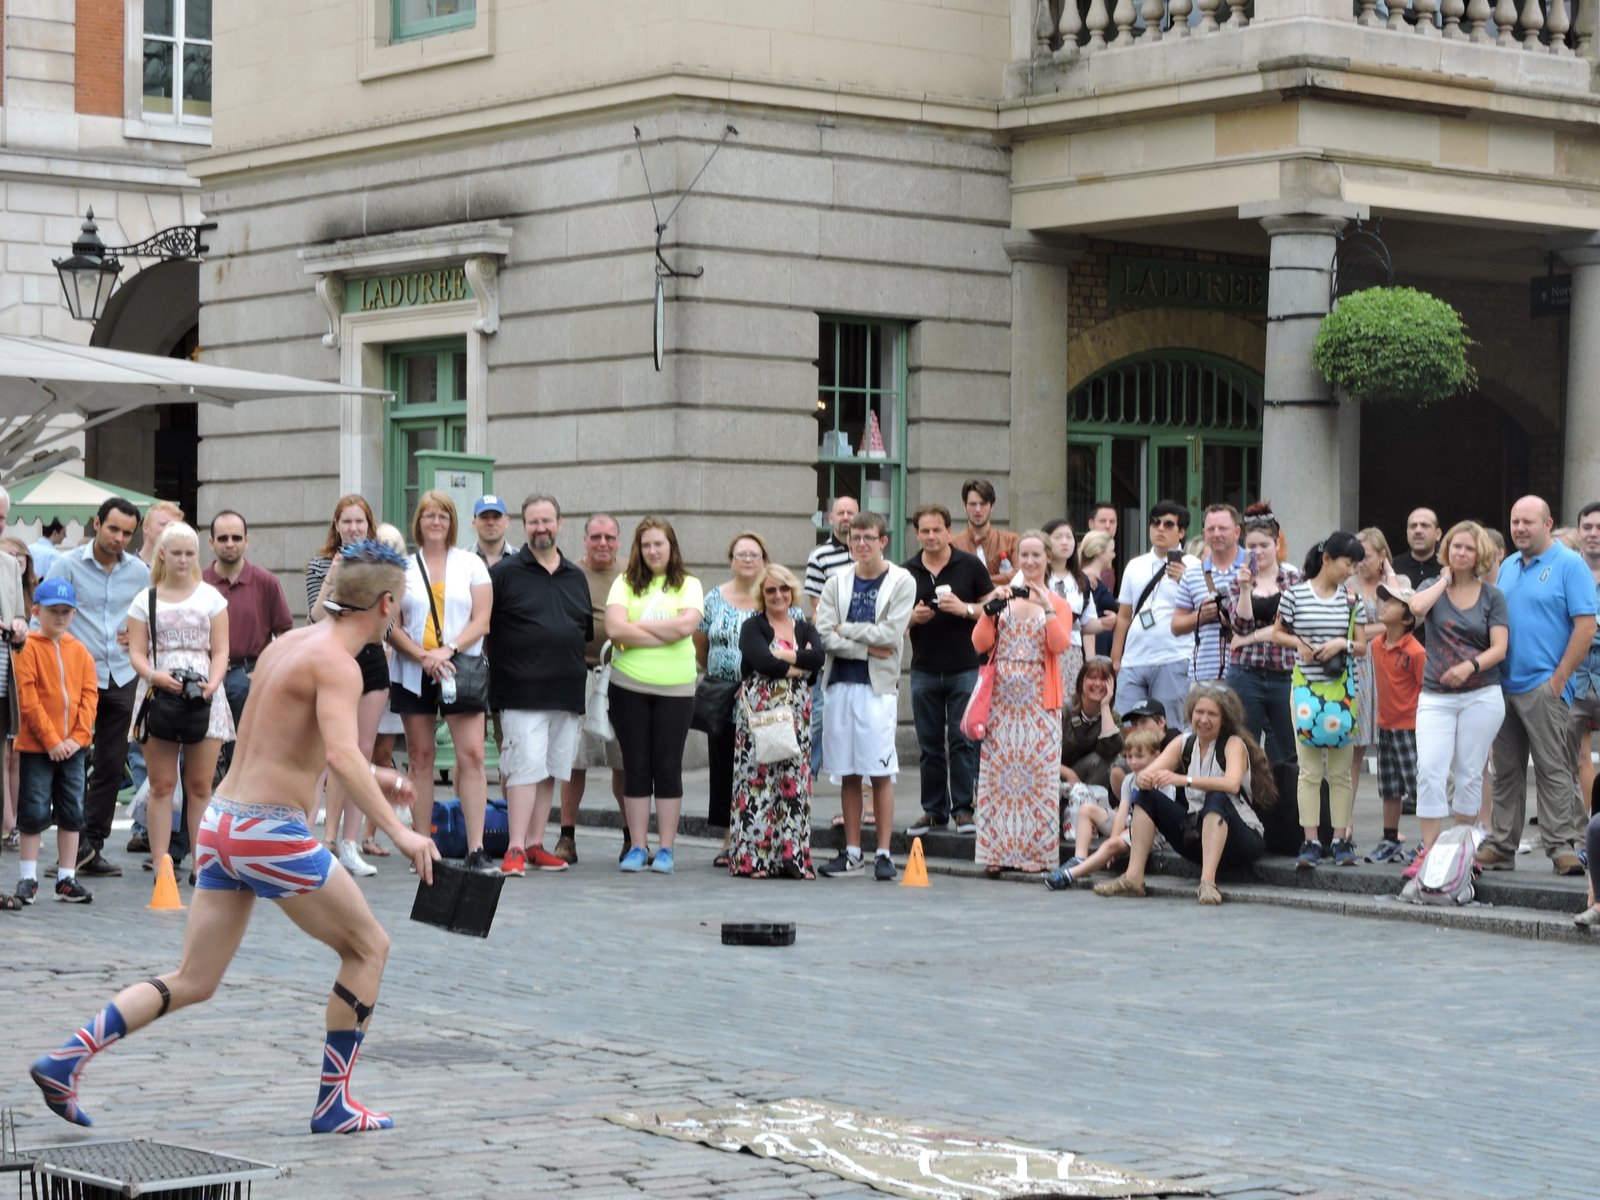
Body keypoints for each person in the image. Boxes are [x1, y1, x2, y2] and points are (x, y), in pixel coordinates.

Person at [29, 540, 438, 1134]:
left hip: (222, 824)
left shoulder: (288, 646)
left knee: (194, 979)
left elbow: (288, 743)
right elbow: (342, 754)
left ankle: (65, 1059)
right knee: (369, 948)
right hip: (270, 832)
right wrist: (401, 832)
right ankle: (334, 1104)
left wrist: (378, 777)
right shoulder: (340, 664)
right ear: (385, 605)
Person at [1480, 496, 1597, 875]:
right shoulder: (1508, 566)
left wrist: (1559, 678)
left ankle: (1562, 846)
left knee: (1553, 769)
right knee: (1506, 771)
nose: (1519, 528)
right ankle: (1502, 845)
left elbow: (1586, 627)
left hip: (1544, 687)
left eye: (1528, 522)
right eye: (1515, 521)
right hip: (1504, 686)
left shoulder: (1570, 564)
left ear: (1548, 524)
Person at [387, 492, 495, 873]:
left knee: (473, 756)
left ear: (452, 523)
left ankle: (476, 847)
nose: (436, 522)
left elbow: (482, 620)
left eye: (443, 516)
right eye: (429, 516)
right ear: (418, 522)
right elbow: (391, 625)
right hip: (413, 670)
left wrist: (447, 650)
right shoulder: (401, 568)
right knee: (420, 757)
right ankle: (422, 846)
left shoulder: (471, 564)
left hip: (459, 668)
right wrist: (423, 656)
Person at [43, 496, 149, 877]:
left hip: (121, 674)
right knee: (69, 761)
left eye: (127, 533)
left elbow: (150, 613)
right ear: (97, 523)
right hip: (75, 675)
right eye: (113, 529)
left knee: (110, 764)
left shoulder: (139, 572)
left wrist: (139, 637)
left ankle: (92, 846)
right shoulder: (67, 564)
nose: (119, 538)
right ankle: (71, 850)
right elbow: (45, 613)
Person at [486, 496, 591, 876]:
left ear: (560, 523)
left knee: (549, 770)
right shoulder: (504, 574)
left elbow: (582, 632)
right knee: (523, 768)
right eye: (533, 521)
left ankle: (534, 844)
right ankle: (514, 847)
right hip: (520, 692)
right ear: (523, 525)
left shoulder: (575, 576)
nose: (541, 528)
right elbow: (484, 629)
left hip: (566, 691)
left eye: (547, 520)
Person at [1093, 684, 1274, 904]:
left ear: (1224, 719)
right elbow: (1144, 775)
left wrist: (1184, 779)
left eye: (1212, 714)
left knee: (1216, 797)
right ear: (1190, 713)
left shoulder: (1233, 743)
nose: (1204, 719)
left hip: (1240, 839)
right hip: (1197, 835)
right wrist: (1145, 778)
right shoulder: (1185, 742)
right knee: (1145, 795)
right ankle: (1133, 878)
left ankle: (1208, 883)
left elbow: (1232, 784)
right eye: (1199, 712)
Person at [126, 522, 235, 881]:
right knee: (161, 785)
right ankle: (162, 863)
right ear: (163, 554)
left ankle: (202, 864)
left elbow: (221, 650)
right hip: (158, 692)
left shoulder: (211, 598)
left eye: (190, 553)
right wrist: (154, 675)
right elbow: (137, 652)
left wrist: (213, 683)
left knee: (201, 785)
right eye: (176, 553)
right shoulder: (145, 599)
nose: (183, 560)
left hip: (203, 694)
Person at [815, 510, 916, 880]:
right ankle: (853, 851)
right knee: (848, 772)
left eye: (868, 538)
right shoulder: (836, 582)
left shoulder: (901, 581)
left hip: (877, 689)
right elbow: (824, 634)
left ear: (882, 541)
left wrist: (847, 630)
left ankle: (884, 853)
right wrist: (864, 646)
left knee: (880, 770)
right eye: (854, 538)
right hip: (840, 684)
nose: (860, 544)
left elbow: (890, 635)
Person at [605, 517, 703, 875]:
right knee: (635, 767)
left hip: (676, 688)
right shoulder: (624, 583)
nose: (652, 551)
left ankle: (665, 848)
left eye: (658, 544)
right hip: (628, 685)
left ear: (671, 546)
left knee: (667, 767)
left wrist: (637, 629)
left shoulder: (689, 584)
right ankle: (637, 846)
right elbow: (614, 629)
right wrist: (666, 631)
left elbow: (687, 626)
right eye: (646, 545)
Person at [971, 530, 1072, 876]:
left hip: (1040, 701)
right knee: (998, 778)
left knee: (1038, 780)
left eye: (1036, 555)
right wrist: (989, 611)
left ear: (1047, 558)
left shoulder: (1058, 603)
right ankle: (996, 851)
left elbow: (1059, 646)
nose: (1029, 562)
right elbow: (979, 643)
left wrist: (1047, 608)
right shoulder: (1003, 597)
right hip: (1001, 701)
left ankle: (1036, 854)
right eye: (1024, 556)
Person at [1406, 523, 1507, 866]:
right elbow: (1416, 608)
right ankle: (1430, 850)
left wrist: (1469, 666)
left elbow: (1499, 648)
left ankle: (1462, 850)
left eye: (1469, 548)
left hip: (1481, 693)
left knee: (1469, 773)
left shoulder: (1492, 596)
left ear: (1480, 554)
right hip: (1436, 695)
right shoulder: (1432, 587)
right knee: (1429, 769)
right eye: (1456, 546)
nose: (1461, 553)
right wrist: (1444, 581)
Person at [306, 495, 391, 877]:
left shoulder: (381, 565)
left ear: (369, 526)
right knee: (326, 753)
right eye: (347, 522)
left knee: (361, 753)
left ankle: (350, 842)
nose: (353, 528)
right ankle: (311, 839)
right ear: (336, 526)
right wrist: (334, 575)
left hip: (370, 660)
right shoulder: (320, 563)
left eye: (360, 522)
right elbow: (315, 615)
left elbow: (384, 624)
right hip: (332, 660)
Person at [1272, 531, 1367, 870]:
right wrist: (1298, 644)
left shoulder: (1352, 600)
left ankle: (1340, 839)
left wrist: (1342, 644)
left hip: (1341, 690)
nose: (1351, 570)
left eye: (1355, 565)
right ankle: (1310, 840)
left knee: (1340, 772)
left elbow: (1362, 646)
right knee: (1309, 771)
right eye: (1348, 563)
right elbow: (1277, 632)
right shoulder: (1294, 595)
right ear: (1327, 559)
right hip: (1305, 690)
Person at [730, 564, 824, 879]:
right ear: (762, 594)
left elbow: (819, 658)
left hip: (797, 717)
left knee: (794, 785)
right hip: (760, 716)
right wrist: (799, 663)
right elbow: (762, 662)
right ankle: (755, 861)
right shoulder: (752, 626)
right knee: (758, 784)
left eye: (784, 589)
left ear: (792, 591)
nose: (778, 595)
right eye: (770, 590)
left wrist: (782, 657)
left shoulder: (805, 626)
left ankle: (792, 859)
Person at [901, 504, 988, 836]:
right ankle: (934, 810)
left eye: (937, 529)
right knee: (929, 745)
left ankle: (963, 810)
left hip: (964, 666)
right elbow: (891, 620)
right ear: (916, 534)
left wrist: (964, 609)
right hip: (924, 668)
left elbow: (992, 608)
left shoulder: (970, 565)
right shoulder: (906, 572)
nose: (931, 536)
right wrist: (912, 617)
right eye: (925, 531)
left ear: (949, 531)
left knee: (962, 741)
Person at [10, 578, 98, 908]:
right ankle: (28, 877)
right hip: (37, 747)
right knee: (33, 812)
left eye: (65, 612)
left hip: (73, 748)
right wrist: (50, 740)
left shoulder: (81, 652)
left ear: (74, 614)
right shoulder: (27, 648)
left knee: (73, 812)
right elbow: (28, 698)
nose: (59, 617)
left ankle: (66, 877)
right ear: (37, 612)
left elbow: (90, 696)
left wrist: (78, 738)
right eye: (52, 611)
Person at [694, 531, 770, 862]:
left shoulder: (774, 595)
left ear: (764, 560)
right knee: (725, 767)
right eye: (741, 554)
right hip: (722, 696)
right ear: (731, 560)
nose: (748, 560)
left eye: (754, 554)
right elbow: (700, 643)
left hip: (763, 697)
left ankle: (759, 836)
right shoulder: (713, 598)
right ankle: (729, 839)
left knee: (759, 767)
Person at [558, 513, 626, 864]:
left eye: (609, 537)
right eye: (596, 537)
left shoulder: (631, 574)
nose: (603, 543)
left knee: (624, 760)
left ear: (618, 541)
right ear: (584, 540)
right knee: (575, 759)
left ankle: (632, 838)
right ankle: (567, 836)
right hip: (579, 672)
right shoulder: (569, 573)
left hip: (623, 673)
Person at [204, 510, 292, 779]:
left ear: (247, 540)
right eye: (222, 538)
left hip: (248, 673)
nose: (229, 544)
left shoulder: (266, 582)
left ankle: (238, 799)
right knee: (199, 758)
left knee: (243, 758)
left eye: (236, 537)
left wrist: (263, 672)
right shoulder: (199, 583)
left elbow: (284, 634)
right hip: (205, 675)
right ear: (211, 542)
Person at [1110, 500, 1199, 729]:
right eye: (1155, 523)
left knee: (1169, 727)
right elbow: (1124, 615)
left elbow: (1205, 609)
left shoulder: (1193, 565)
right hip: (1134, 657)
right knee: (1126, 726)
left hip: (1173, 656)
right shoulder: (1135, 565)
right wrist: (1116, 658)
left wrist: (1185, 580)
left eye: (1168, 524)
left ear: (1181, 532)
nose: (1160, 529)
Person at [1224, 504, 1301, 766]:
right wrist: (1246, 589)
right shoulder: (1237, 580)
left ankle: (1285, 792)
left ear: (1277, 544)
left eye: (1264, 545)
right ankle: (1245, 791)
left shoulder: (1294, 579)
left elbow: (1290, 626)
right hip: (1246, 672)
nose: (1258, 552)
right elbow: (1240, 625)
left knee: (1288, 748)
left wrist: (1249, 639)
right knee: (1244, 745)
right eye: (1252, 546)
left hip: (1285, 672)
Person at [1046, 725, 1164, 891]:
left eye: (1140, 756)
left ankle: (1069, 875)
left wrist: (1114, 841)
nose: (1133, 762)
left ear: (1156, 756)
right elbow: (1122, 811)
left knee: (1111, 845)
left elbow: (1158, 819)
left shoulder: (1162, 779)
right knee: (1086, 809)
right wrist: (1114, 837)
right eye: (1129, 756)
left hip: (1150, 832)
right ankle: (1079, 858)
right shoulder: (1129, 779)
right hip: (1128, 823)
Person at [1364, 580, 1426, 864]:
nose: (1384, 605)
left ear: (1407, 617)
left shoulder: (1415, 651)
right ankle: (1390, 839)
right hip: (1385, 725)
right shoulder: (1376, 645)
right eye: (1384, 600)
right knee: (1389, 788)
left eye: (1392, 602)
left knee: (1418, 787)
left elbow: (1425, 689)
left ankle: (1427, 841)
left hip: (1410, 728)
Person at [804, 496, 859, 783]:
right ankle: (808, 774)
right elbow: (816, 608)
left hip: (863, 648)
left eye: (851, 512)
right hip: (829, 645)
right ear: (831, 518)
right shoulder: (820, 556)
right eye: (841, 512)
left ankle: (851, 772)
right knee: (819, 713)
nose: (846, 517)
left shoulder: (868, 552)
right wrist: (836, 631)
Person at [1172, 504, 1249, 689]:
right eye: (1211, 529)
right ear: (1204, 533)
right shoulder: (1192, 574)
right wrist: (1202, 615)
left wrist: (1233, 619)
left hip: (1249, 671)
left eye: (1223, 528)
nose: (1216, 534)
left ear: (1237, 532)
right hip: (1204, 674)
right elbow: (1176, 626)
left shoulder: (1252, 566)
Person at [1042, 518, 1110, 701]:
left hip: (1071, 651)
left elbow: (1085, 623)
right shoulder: (1034, 573)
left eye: (1069, 537)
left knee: (1068, 704)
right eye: (1058, 537)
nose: (1064, 542)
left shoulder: (1080, 579)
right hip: (1041, 649)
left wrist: (1106, 623)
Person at [1570, 502, 1600, 819]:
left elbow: (1581, 629)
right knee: (1574, 759)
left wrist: (1586, 629)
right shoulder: (1565, 570)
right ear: (1578, 531)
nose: (1593, 533)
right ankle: (1584, 830)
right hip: (1572, 679)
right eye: (1587, 527)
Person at [952, 478, 1021, 591]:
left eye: (983, 504)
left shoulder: (1011, 540)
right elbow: (953, 580)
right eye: (973, 504)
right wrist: (1001, 579)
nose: (978, 509)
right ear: (964, 506)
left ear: (992, 506)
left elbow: (1020, 576)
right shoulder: (953, 544)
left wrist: (975, 581)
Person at [1078, 529, 1118, 659]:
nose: (1114, 555)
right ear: (1100, 553)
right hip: (1095, 650)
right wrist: (1091, 658)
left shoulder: (1093, 579)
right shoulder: (1089, 580)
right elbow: (1086, 619)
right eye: (1112, 551)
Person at [1392, 507, 1444, 591]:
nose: (1418, 530)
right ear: (1407, 533)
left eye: (1424, 525)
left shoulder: (1448, 567)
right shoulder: (1393, 567)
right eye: (1413, 526)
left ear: (1438, 534)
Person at [469, 494, 517, 569]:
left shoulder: (521, 560)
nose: (490, 523)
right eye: (484, 517)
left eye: (496, 517)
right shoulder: (460, 560)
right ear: (474, 523)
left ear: (507, 522)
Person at [137, 501, 183, 569]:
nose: (170, 530)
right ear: (146, 528)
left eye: (175, 526)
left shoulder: (180, 568)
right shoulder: (127, 567)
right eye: (164, 524)